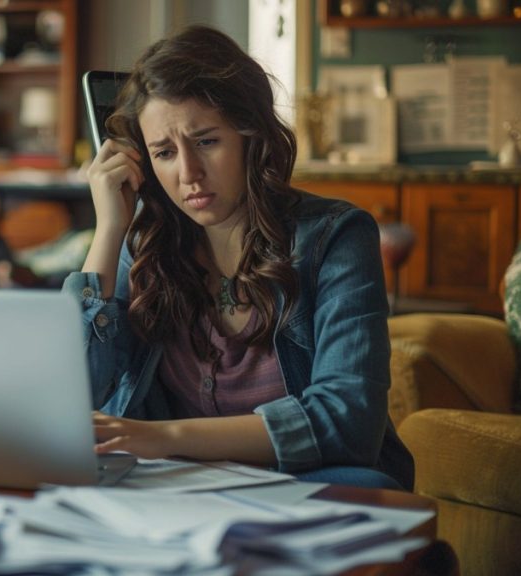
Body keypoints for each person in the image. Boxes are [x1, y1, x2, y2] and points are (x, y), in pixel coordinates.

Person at [63, 25, 414, 490]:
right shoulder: (146, 246)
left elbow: (347, 422)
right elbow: (74, 397)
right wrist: (109, 230)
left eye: (207, 141)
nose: (188, 173)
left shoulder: (337, 237)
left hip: (307, 482)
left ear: (251, 135)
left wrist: (164, 437)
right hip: (180, 486)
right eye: (164, 152)